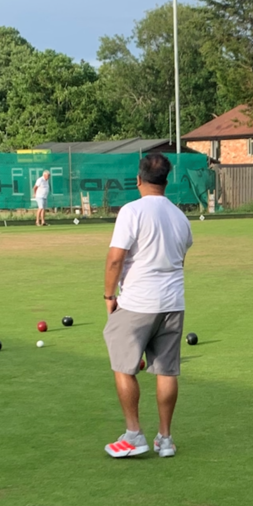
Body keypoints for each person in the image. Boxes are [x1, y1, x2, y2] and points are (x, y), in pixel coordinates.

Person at [102, 153, 193, 459]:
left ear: (138, 179)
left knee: (123, 367)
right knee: (166, 371)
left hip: (137, 302)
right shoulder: (180, 217)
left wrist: (108, 296)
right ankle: (165, 440)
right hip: (173, 302)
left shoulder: (132, 211)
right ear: (166, 181)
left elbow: (116, 258)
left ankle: (133, 434)